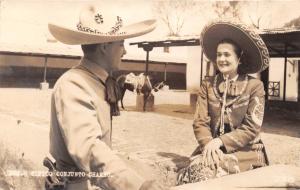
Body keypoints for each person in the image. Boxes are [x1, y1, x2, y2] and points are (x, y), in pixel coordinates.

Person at [46, 4, 165, 190]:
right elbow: (90, 149)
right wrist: (138, 186)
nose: (124, 51)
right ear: (104, 46)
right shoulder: (73, 84)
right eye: (121, 44)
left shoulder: (96, 80)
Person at [177, 20, 270, 184]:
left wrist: (220, 141)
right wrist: (209, 146)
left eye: (227, 54)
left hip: (246, 150)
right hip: (211, 147)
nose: (221, 59)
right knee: (193, 172)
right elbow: (200, 122)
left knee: (209, 174)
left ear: (239, 58)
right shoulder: (207, 84)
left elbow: (251, 128)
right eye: (219, 54)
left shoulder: (255, 86)